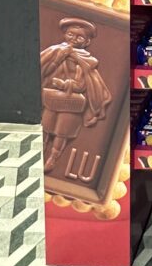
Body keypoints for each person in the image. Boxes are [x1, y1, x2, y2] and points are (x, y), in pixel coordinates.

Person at [40, 17, 112, 173]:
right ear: (65, 34)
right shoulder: (55, 51)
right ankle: (37, 154)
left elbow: (82, 85)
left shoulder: (87, 61)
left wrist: (64, 85)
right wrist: (59, 57)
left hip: (71, 104)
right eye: (70, 34)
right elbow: (43, 71)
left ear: (87, 42)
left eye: (79, 37)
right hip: (51, 99)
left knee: (62, 132)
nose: (73, 39)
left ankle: (53, 158)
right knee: (45, 127)